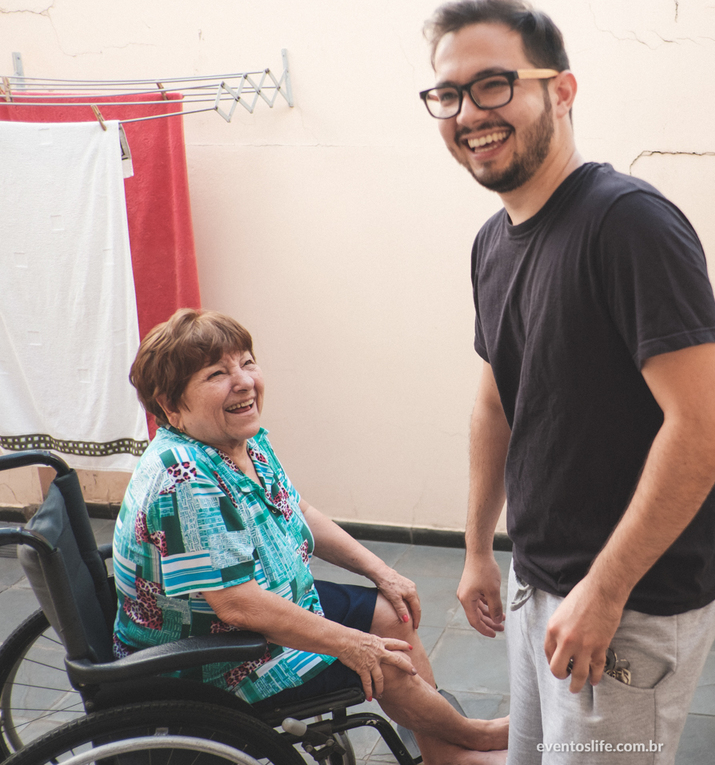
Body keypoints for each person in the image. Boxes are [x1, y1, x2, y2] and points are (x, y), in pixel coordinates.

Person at [420, 0, 715, 763]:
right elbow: (497, 401)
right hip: (541, 579)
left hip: (631, 600)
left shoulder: (627, 223)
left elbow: (707, 425)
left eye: (493, 84)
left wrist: (605, 590)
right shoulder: (493, 241)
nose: (469, 113)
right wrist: (478, 547)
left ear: (561, 91)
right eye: (449, 94)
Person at [114, 308, 507, 765]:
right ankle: (472, 738)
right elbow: (237, 604)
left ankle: (443, 753)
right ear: (171, 406)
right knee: (385, 661)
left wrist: (382, 571)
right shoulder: (183, 478)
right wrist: (349, 642)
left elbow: (298, 510)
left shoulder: (243, 441)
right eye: (217, 374)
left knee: (392, 613)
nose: (244, 382)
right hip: (218, 662)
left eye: (247, 362)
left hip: (270, 612)